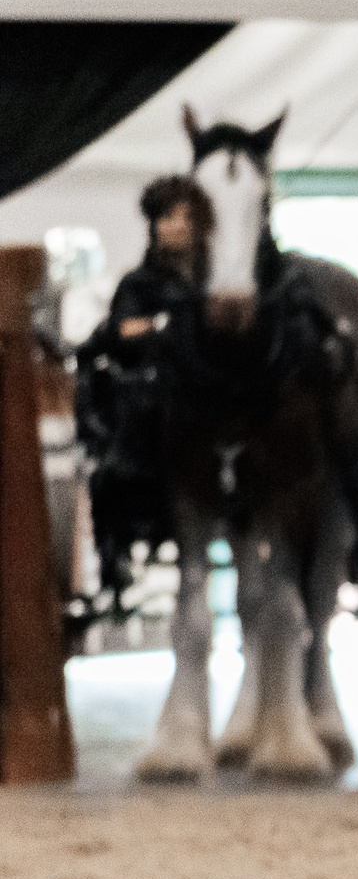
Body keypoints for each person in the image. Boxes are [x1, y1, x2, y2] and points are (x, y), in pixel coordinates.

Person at [73, 175, 211, 590]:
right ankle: (115, 550)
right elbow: (123, 330)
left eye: (184, 217)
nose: (175, 226)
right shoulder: (139, 283)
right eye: (167, 217)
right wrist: (165, 324)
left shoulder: (210, 281)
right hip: (154, 388)